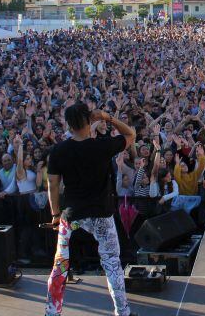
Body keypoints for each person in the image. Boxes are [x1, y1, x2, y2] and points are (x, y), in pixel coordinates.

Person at [45, 102, 137, 316]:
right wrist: (107, 117)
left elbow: (53, 184)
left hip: (71, 215)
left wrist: (55, 214)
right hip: (101, 214)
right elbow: (130, 134)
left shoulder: (59, 150)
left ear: (68, 125)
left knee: (60, 266)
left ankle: (52, 312)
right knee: (112, 264)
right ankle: (122, 312)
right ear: (90, 121)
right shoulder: (102, 146)